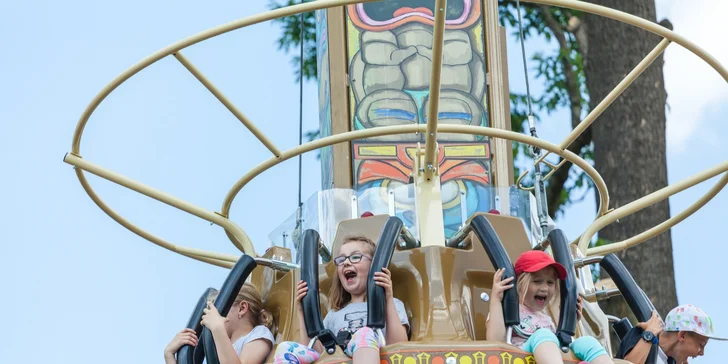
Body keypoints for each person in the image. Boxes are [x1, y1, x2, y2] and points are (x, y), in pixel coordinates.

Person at [274, 235, 409, 364]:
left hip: (371, 351)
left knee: (364, 333)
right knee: (285, 348)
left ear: (374, 266)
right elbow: (313, 350)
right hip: (338, 356)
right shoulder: (334, 315)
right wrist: (303, 312)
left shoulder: (391, 304)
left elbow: (399, 346)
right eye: (341, 260)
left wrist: (388, 298)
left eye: (355, 257)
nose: (346, 263)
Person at [487, 250, 613, 364]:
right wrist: (496, 300)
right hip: (517, 357)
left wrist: (572, 323)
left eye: (550, 282)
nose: (544, 288)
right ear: (519, 283)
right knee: (543, 335)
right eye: (537, 281)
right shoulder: (507, 309)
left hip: (546, 355)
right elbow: (496, 342)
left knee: (586, 342)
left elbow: (560, 348)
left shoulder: (546, 320)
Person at [164, 283, 276, 364]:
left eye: (219, 311)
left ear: (242, 308)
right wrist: (169, 355)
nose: (214, 318)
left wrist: (218, 328)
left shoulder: (259, 333)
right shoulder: (220, 349)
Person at [615, 304, 726, 364]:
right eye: (701, 345)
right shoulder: (642, 335)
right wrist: (649, 334)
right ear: (682, 335)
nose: (702, 353)